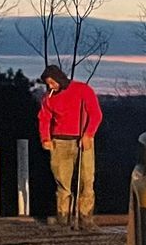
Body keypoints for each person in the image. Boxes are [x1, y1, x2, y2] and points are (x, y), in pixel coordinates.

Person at [37, 64, 103, 227]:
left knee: (87, 180)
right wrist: (45, 138)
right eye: (48, 84)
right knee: (62, 182)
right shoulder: (48, 98)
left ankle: (85, 217)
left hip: (82, 140)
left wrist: (88, 134)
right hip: (59, 142)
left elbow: (96, 114)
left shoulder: (82, 90)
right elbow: (44, 118)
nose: (50, 86)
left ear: (59, 79)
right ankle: (63, 217)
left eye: (52, 82)